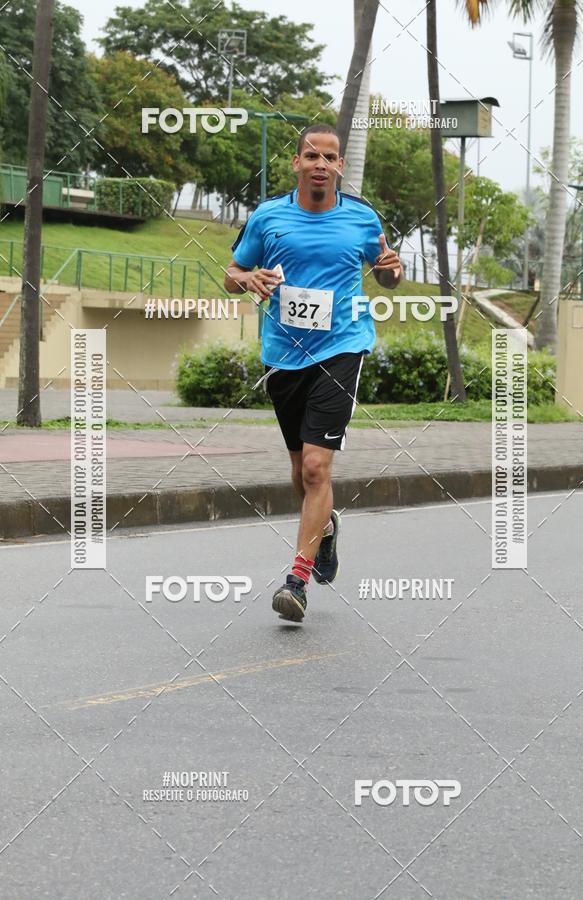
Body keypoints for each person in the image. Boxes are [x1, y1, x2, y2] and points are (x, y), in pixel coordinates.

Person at [224, 123, 403, 622]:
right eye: (312, 155)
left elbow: (387, 274)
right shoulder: (268, 217)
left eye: (330, 157)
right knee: (297, 468)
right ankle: (325, 529)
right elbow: (231, 275)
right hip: (283, 353)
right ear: (297, 163)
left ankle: (296, 580)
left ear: (340, 166)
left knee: (316, 467)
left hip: (343, 346)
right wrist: (247, 277)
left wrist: (392, 270)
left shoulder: (362, 219)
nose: (321, 164)